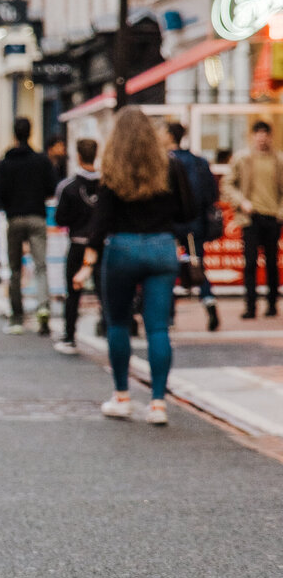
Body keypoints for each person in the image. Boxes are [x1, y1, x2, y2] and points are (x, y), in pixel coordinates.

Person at [75, 107, 192, 426]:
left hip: (122, 247)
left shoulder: (113, 169)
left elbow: (101, 220)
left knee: (118, 323)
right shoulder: (171, 166)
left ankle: (122, 396)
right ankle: (157, 403)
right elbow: (187, 210)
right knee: (157, 327)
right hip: (161, 247)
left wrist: (89, 259)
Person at [0, 117, 56, 335]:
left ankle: (17, 316)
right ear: (31, 133)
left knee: (14, 269)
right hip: (37, 216)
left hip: (15, 217)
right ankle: (43, 308)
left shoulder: (6, 162)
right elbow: (52, 187)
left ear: (14, 134)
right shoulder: (41, 160)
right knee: (40, 266)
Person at [224, 119, 283, 320]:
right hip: (250, 218)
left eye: (265, 134)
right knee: (250, 264)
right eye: (258, 134)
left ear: (269, 136)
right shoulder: (243, 159)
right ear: (253, 136)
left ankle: (272, 303)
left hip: (272, 217)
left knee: (271, 264)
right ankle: (250, 305)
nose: (261, 138)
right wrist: (242, 202)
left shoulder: (278, 160)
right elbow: (228, 184)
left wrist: (280, 212)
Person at [166, 121, 220, 333]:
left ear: (170, 136)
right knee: (197, 266)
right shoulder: (199, 162)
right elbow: (211, 194)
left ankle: (169, 315)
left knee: (168, 268)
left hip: (169, 224)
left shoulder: (166, 162)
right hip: (194, 223)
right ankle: (209, 302)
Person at [52, 137, 101, 354]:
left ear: (78, 156)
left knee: (73, 291)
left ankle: (70, 335)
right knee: (104, 290)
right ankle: (111, 328)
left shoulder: (68, 187)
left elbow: (60, 218)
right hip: (100, 245)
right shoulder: (106, 186)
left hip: (78, 243)